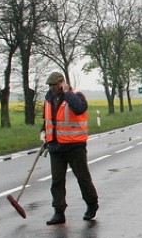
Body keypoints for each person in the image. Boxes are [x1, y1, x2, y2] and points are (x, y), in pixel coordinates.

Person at [41, 71, 99, 225]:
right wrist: (44, 133)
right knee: (57, 181)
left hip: (75, 146)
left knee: (83, 178)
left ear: (62, 83)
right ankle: (59, 212)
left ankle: (92, 205)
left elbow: (80, 108)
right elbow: (47, 119)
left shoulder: (76, 95)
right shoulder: (48, 99)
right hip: (56, 147)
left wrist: (67, 93)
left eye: (54, 85)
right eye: (50, 85)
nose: (51, 88)